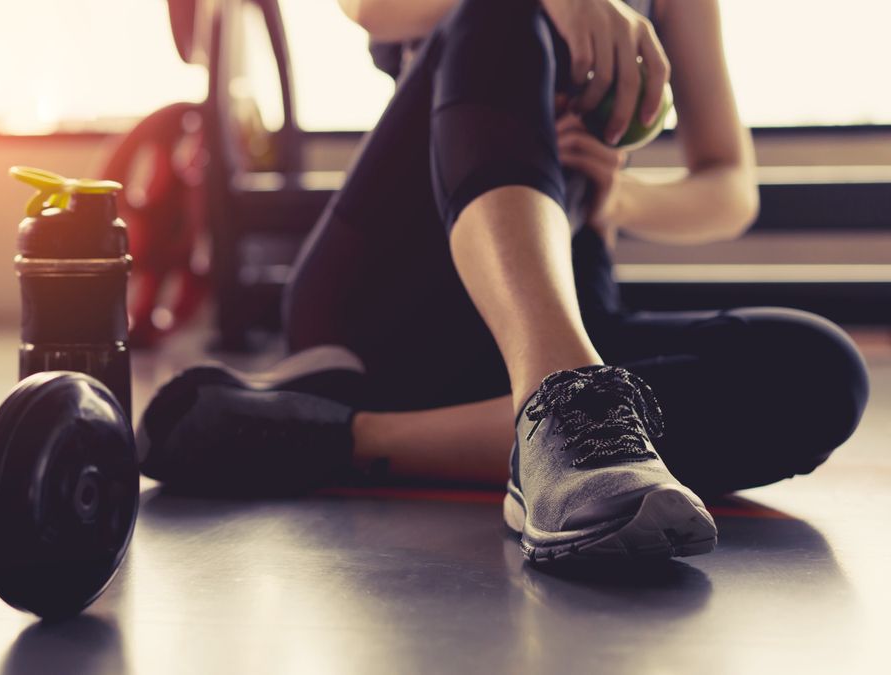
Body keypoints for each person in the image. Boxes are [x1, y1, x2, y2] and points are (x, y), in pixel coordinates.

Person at [136, 0, 869, 562]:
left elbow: (730, 187)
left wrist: (625, 199)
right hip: (388, 299)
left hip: (570, 300)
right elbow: (367, 6)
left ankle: (349, 433)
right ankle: (564, 408)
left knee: (821, 371)